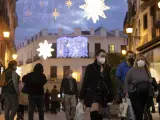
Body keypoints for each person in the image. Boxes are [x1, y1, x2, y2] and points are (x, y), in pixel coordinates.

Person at [79, 49, 114, 120]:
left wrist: (111, 96)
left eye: (104, 56)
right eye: (102, 56)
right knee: (94, 114)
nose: (103, 58)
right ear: (96, 56)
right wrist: (81, 96)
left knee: (100, 116)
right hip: (93, 93)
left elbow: (109, 83)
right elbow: (86, 81)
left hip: (103, 95)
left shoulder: (107, 68)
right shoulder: (90, 67)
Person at [124, 54, 151, 120]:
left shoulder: (147, 71)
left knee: (141, 111)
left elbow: (149, 82)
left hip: (144, 93)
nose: (140, 61)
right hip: (134, 92)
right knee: (138, 110)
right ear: (136, 61)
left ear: (145, 61)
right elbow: (126, 81)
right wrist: (126, 92)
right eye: (138, 60)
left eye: (142, 59)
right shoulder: (132, 70)